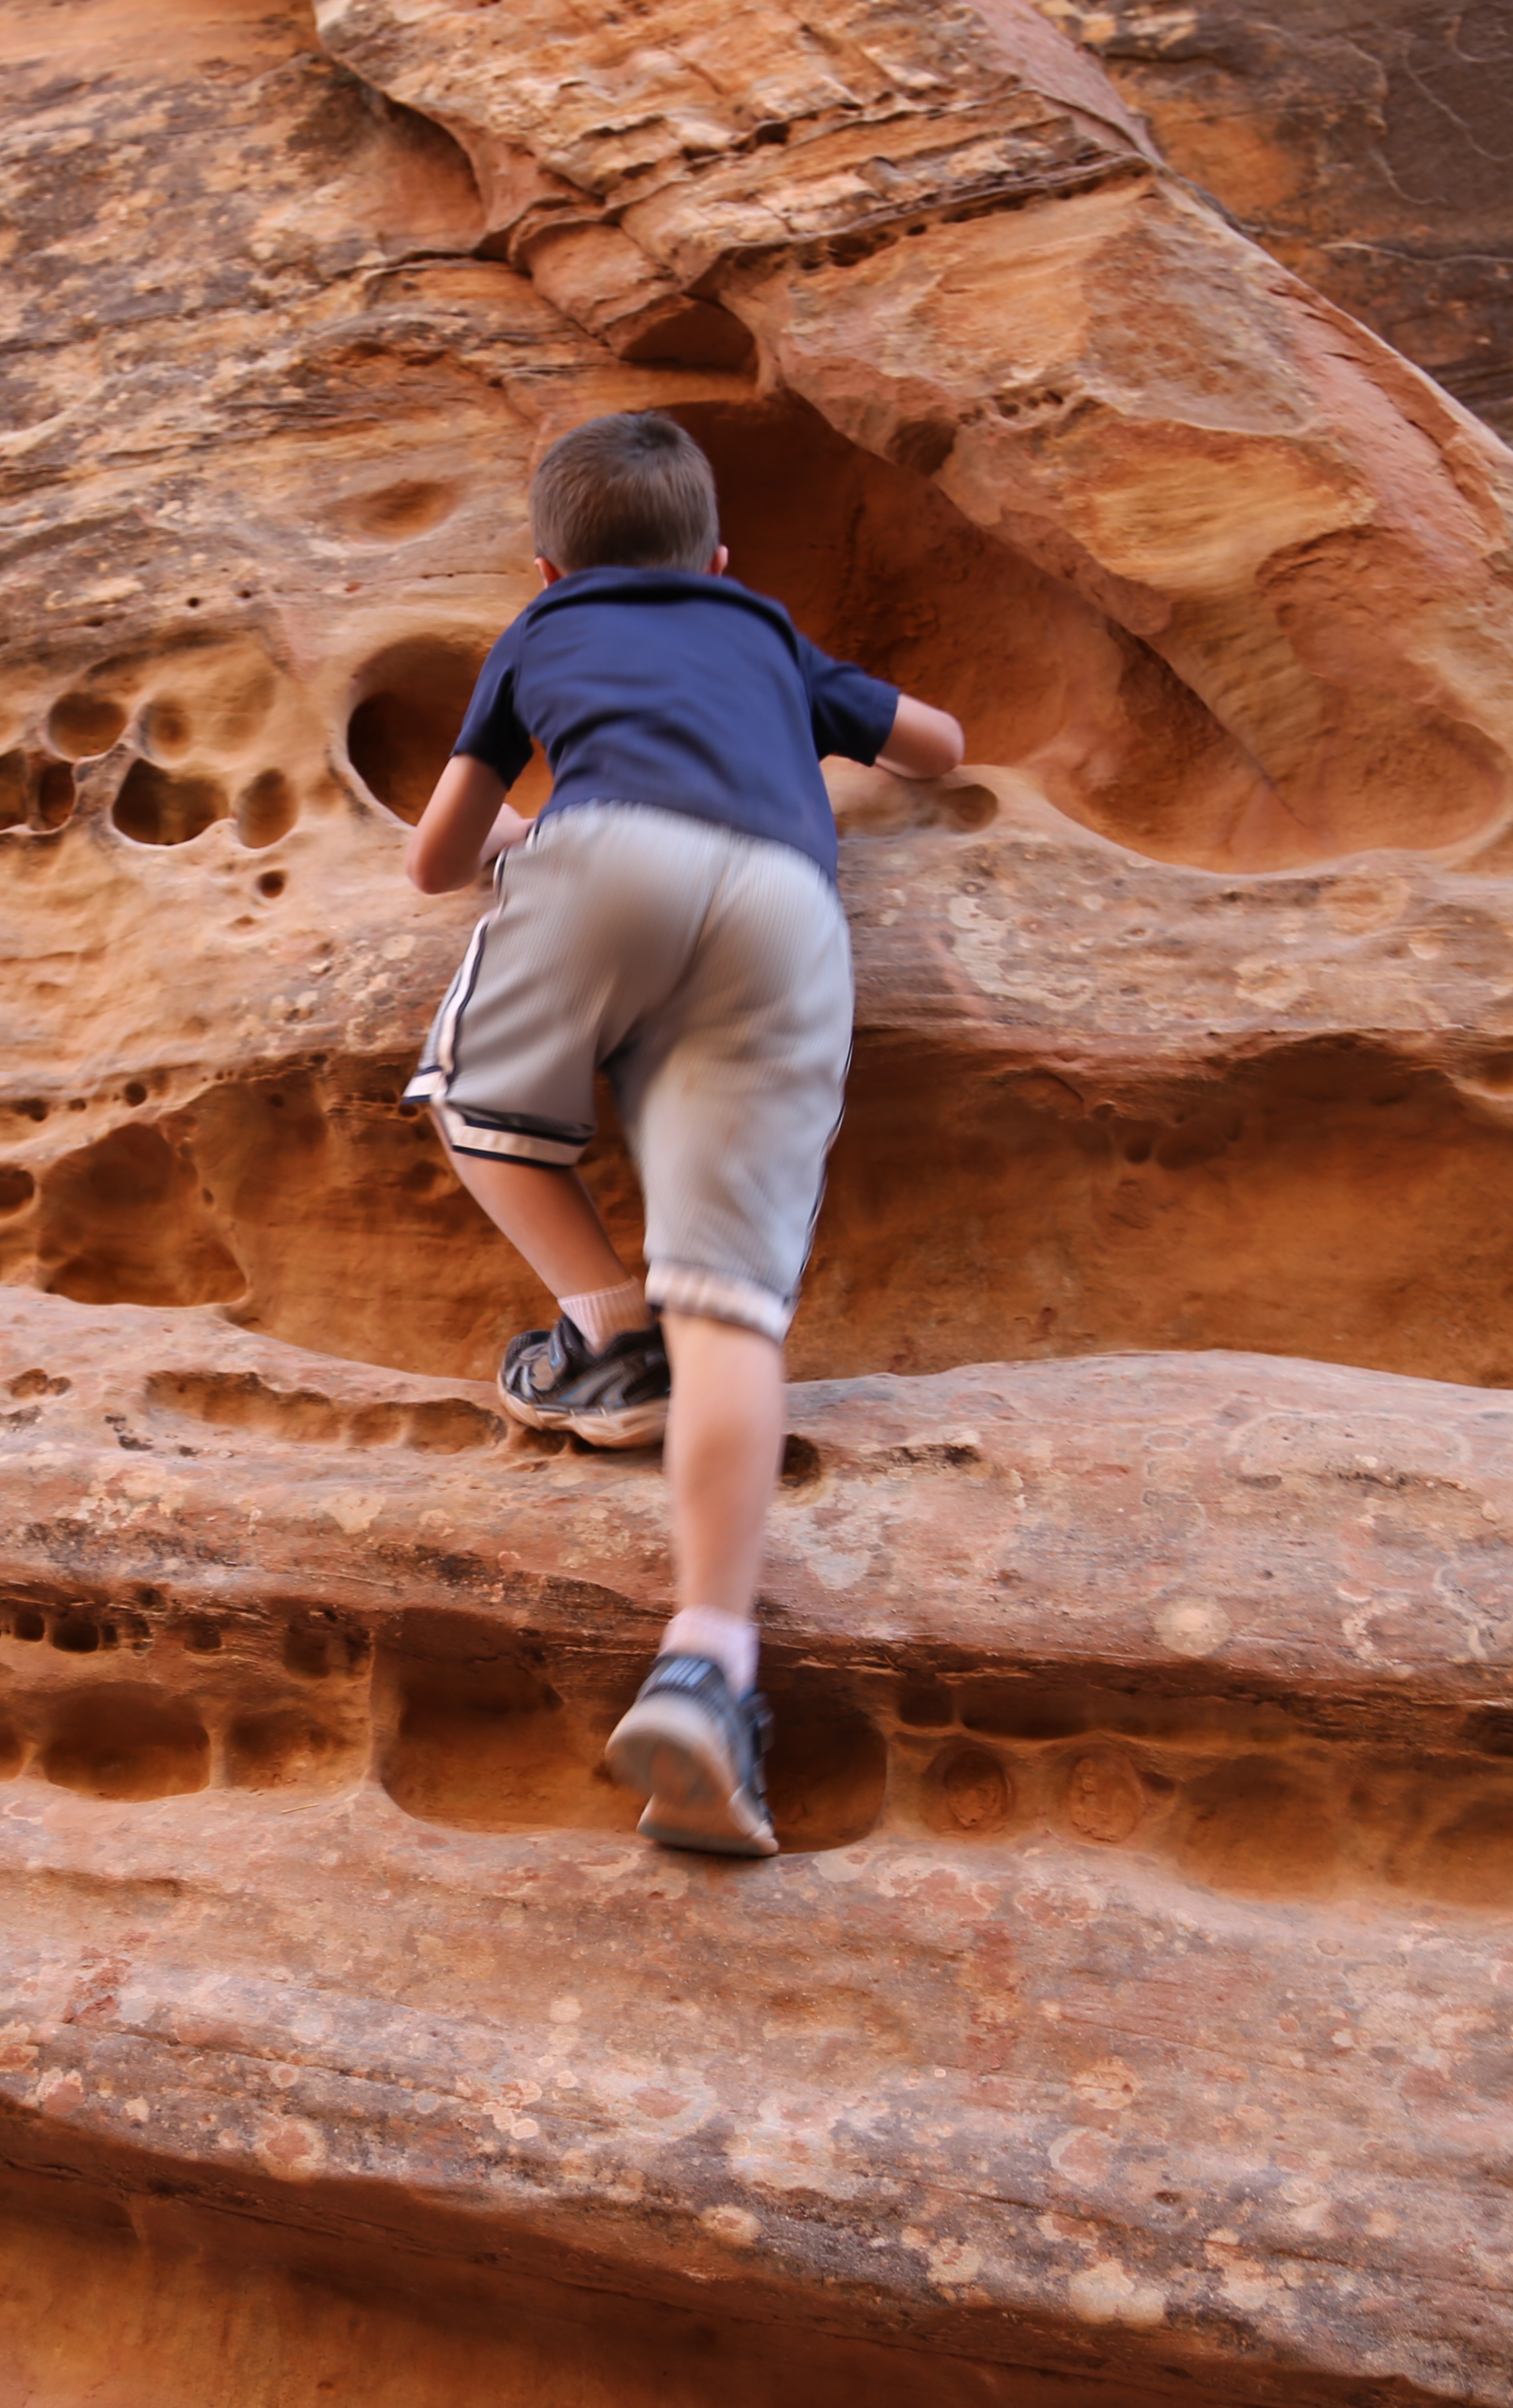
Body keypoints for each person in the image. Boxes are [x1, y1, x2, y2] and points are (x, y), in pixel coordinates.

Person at [399, 412, 964, 1856]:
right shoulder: (769, 634)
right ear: (718, 557)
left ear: (543, 566)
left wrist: (535, 838)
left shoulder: (538, 632)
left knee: (478, 1106)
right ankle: (710, 1658)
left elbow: (436, 861)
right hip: (786, 904)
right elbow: (940, 749)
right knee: (736, 1310)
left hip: (601, 853)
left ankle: (598, 1325)